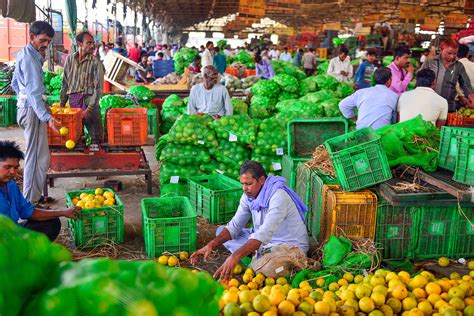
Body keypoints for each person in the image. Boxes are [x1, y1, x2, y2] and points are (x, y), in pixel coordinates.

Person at [190, 161, 309, 280]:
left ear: (261, 180)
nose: (244, 188)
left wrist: (235, 256)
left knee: (265, 270)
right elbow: (234, 226)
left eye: (248, 184)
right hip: (263, 241)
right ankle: (257, 253)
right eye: (242, 184)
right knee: (220, 232)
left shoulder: (278, 196)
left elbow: (263, 234)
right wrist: (210, 245)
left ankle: (265, 258)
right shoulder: (248, 196)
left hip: (288, 245)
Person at [12, 21, 61, 205]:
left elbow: (16, 84)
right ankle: (29, 205)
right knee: (36, 158)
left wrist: (26, 101)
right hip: (32, 112)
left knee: (40, 156)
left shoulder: (25, 54)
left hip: (29, 107)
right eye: (42, 40)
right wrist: (46, 116)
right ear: (32, 36)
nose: (45, 44)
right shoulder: (29, 59)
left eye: (48, 41)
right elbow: (32, 91)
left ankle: (32, 198)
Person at [0, 141, 80, 241]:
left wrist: (63, 212)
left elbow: (27, 211)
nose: (13, 172)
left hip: (14, 232)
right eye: (7, 167)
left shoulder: (11, 185)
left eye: (15, 168)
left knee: (52, 223)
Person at [60, 31, 105, 144]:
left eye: (92, 43)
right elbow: (65, 83)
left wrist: (88, 109)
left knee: (96, 137)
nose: (92, 46)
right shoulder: (70, 59)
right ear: (80, 44)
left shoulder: (95, 62)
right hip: (74, 102)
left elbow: (98, 88)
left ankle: (97, 159)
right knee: (76, 135)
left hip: (89, 102)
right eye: (88, 43)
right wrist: (62, 104)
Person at [421, 39, 474, 112]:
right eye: (449, 53)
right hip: (429, 104)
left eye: (455, 53)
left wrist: (471, 97)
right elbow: (420, 80)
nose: (452, 56)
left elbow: (466, 84)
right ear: (441, 49)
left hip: (448, 107)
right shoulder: (429, 63)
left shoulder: (459, 66)